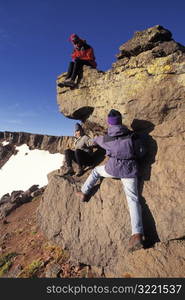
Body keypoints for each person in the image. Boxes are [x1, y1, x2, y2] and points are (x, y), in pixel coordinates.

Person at [76, 109, 144, 252]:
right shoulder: (133, 137)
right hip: (129, 171)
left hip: (112, 169)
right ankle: (137, 234)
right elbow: (142, 153)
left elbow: (94, 141)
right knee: (133, 199)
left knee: (95, 171)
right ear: (121, 121)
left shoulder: (106, 138)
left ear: (109, 123)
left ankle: (84, 192)